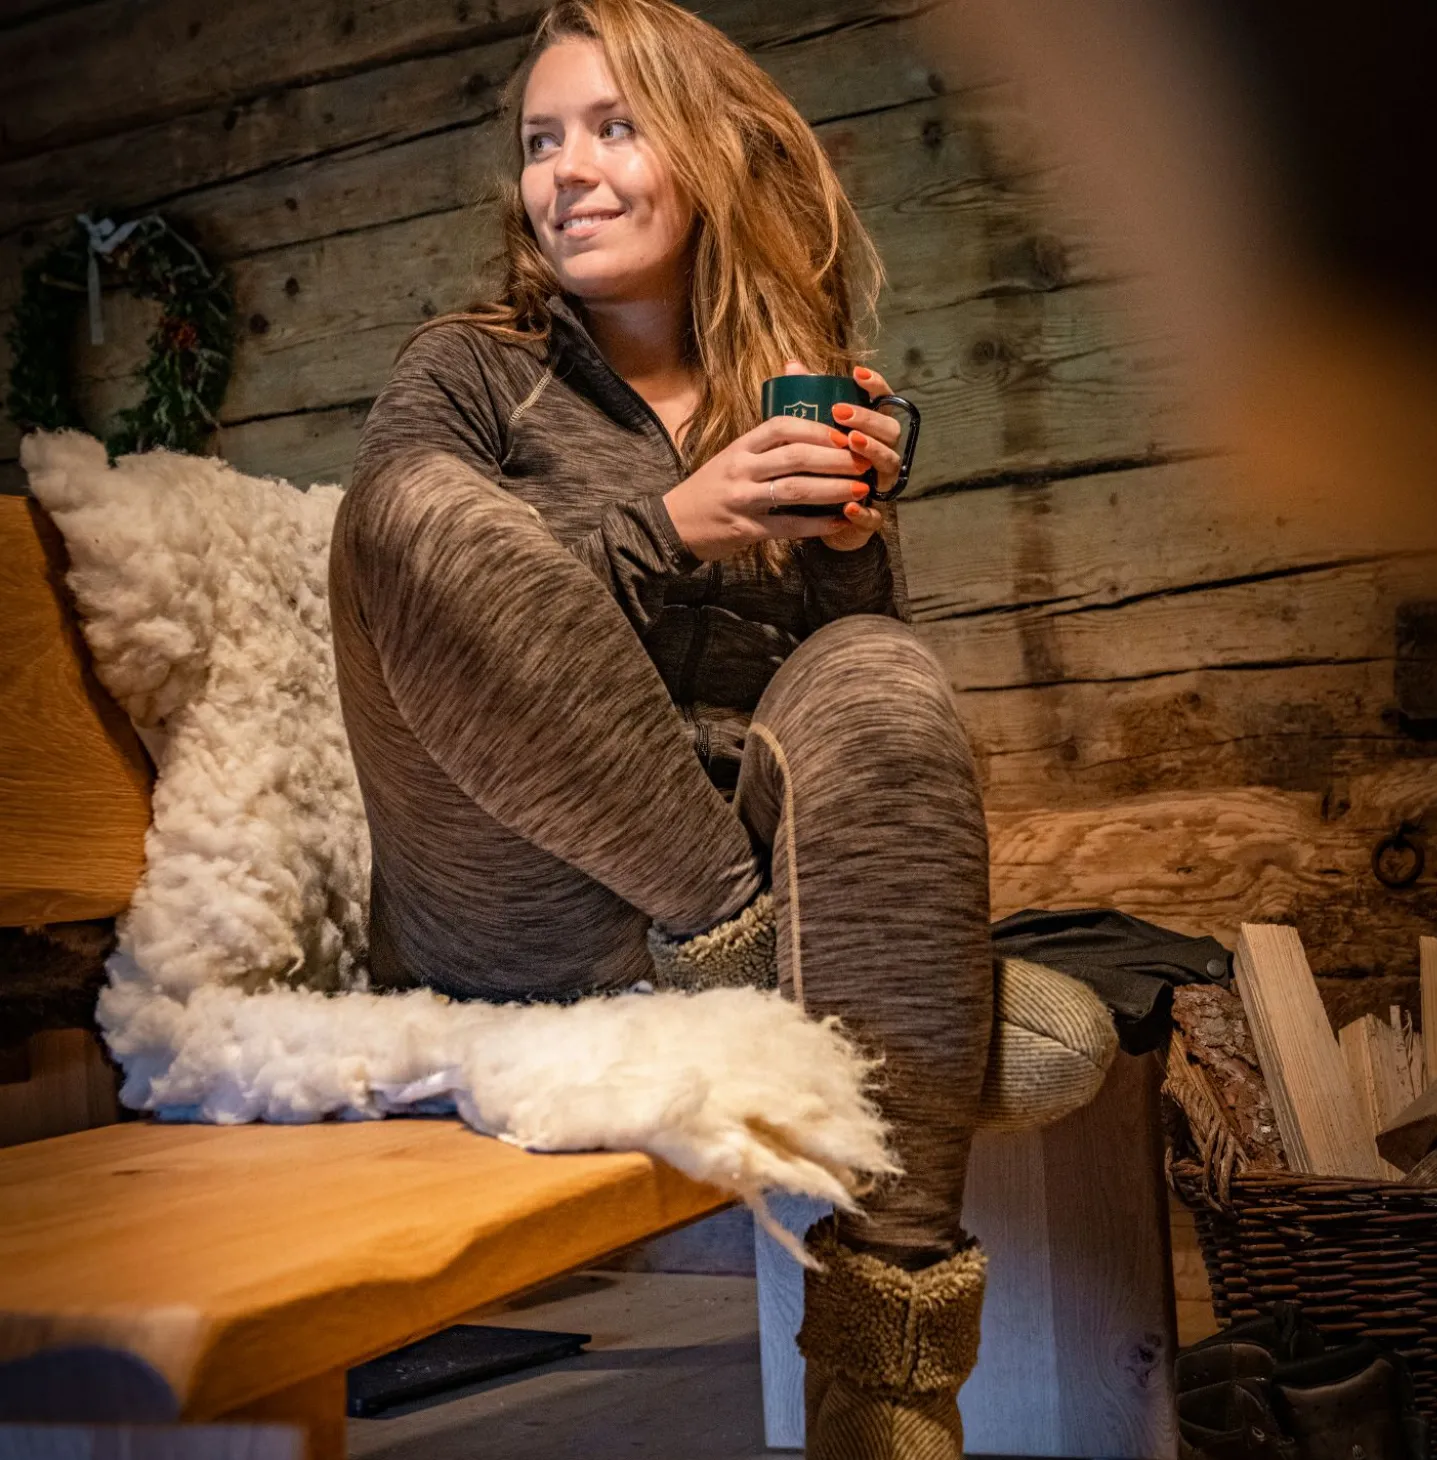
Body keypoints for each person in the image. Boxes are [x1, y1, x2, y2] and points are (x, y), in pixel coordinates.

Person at [328, 0, 994, 1451]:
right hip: (512, 892)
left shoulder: (785, 394)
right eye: (540, 142)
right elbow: (421, 589)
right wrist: (673, 524)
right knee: (414, 511)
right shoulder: (468, 372)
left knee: (881, 675)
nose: (564, 172)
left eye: (613, 128)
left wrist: (843, 546)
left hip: (728, 851)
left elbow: (841, 718)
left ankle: (890, 1390)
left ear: (708, 155)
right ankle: (735, 946)